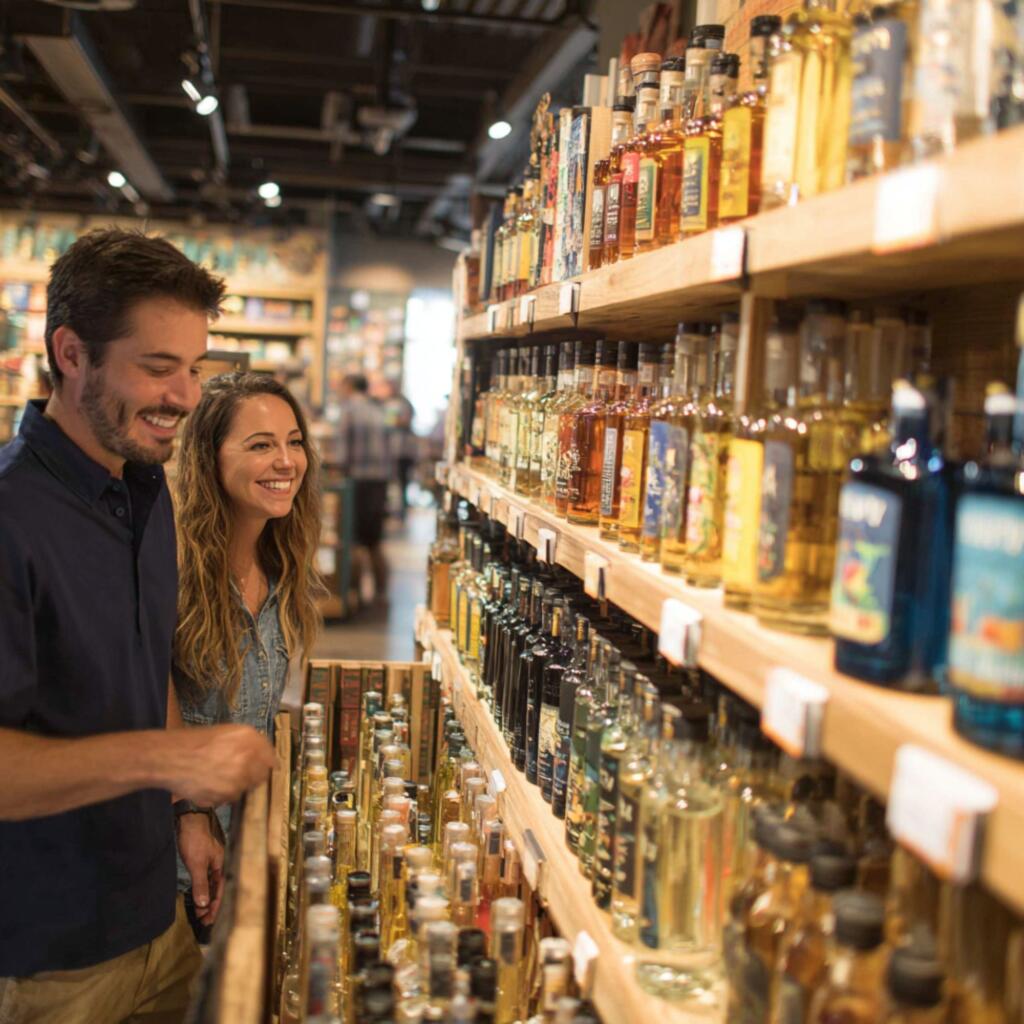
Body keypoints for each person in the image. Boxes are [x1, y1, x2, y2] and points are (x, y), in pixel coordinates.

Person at [0, 228, 276, 1023]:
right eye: (158, 368)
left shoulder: (145, 491)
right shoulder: (11, 518)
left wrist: (185, 810)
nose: (186, 396)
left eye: (194, 368)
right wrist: (176, 757)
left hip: (159, 916)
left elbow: (140, 661)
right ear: (72, 353)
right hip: (51, 960)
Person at [172, 372, 323, 933]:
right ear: (208, 458)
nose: (286, 461)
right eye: (260, 445)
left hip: (236, 853)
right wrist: (189, 811)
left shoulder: (282, 568)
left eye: (294, 441)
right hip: (167, 867)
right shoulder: (173, 566)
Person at [333, 372, 391, 603]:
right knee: (374, 539)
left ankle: (352, 591)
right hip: (380, 480)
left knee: (353, 537)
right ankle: (380, 591)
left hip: (357, 480)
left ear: (349, 386)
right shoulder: (379, 409)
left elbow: (343, 451)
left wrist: (338, 468)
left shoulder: (349, 410)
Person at [381, 381, 417, 522]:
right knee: (390, 482)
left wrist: (395, 422)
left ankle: (402, 513)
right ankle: (391, 511)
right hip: (389, 450)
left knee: (402, 482)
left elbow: (406, 421)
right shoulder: (385, 403)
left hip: (404, 451)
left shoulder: (404, 403)